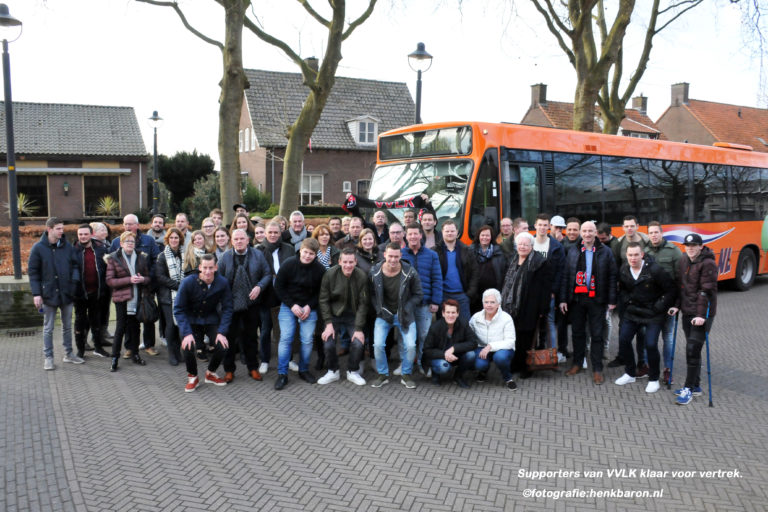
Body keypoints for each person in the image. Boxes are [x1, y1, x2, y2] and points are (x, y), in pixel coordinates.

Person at [559, 221, 617, 385]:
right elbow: (566, 276)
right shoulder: (573, 250)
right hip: (577, 299)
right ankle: (577, 363)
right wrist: (563, 299)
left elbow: (613, 276)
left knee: (597, 335)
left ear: (596, 232)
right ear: (581, 233)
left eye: (590, 231)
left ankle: (597, 369)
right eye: (584, 231)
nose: (587, 234)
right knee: (577, 333)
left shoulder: (605, 252)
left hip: (597, 299)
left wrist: (612, 300)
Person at [614, 242, 677, 393]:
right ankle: (630, 373)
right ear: (626, 256)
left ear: (642, 254)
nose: (633, 258)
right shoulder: (623, 269)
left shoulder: (655, 270)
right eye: (630, 255)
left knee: (650, 345)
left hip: (653, 314)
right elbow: (622, 290)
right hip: (633, 312)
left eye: (636, 255)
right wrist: (627, 301)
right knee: (623, 340)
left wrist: (658, 307)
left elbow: (671, 290)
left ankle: (654, 379)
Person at [668, 233, 718, 405]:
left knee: (692, 350)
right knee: (692, 350)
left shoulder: (708, 264)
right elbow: (680, 286)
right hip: (687, 311)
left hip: (702, 315)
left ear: (700, 246)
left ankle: (688, 389)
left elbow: (706, 291)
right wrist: (676, 305)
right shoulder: (683, 260)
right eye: (687, 246)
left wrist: (700, 316)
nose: (690, 248)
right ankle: (696, 386)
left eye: (693, 245)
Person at [217, 229, 271, 383]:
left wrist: (259, 286)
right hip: (230, 304)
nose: (239, 241)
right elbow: (218, 279)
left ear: (248, 240)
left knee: (251, 337)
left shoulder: (257, 255)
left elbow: (267, 274)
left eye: (242, 238)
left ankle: (253, 368)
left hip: (251, 304)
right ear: (231, 241)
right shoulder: (224, 257)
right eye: (236, 239)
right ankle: (229, 370)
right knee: (229, 338)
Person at [174, 254, 233, 392]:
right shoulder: (188, 282)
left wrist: (222, 332)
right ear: (200, 267)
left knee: (222, 345)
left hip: (210, 319)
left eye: (211, 268)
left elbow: (228, 308)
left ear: (216, 267)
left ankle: (210, 373)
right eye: (205, 268)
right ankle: (193, 376)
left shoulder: (222, 282)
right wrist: (187, 333)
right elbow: (178, 309)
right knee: (188, 346)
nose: (207, 271)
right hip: (190, 319)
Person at [29, 217, 83, 370]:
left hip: (67, 294)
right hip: (48, 295)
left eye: (62, 228)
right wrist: (36, 294)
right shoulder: (38, 248)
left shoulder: (68, 247)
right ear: (49, 229)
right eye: (58, 228)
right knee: (48, 328)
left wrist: (74, 284)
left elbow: (75, 267)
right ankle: (49, 357)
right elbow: (33, 274)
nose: (62, 231)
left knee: (67, 326)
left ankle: (69, 354)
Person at [273, 238, 326, 389]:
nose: (307, 256)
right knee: (286, 338)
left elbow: (321, 292)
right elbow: (279, 287)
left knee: (307, 339)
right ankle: (282, 374)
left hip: (309, 307)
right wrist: (292, 305)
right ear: (300, 250)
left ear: (315, 255)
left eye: (311, 254)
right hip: (289, 305)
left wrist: (309, 306)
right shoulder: (289, 264)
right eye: (305, 252)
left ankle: (303, 369)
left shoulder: (319, 269)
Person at [369, 243, 424, 389]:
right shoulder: (374, 272)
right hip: (383, 315)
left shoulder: (410, 272)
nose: (393, 259)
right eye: (390, 256)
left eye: (396, 256)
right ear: (385, 255)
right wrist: (380, 309)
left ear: (401, 256)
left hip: (405, 315)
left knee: (411, 345)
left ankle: (406, 374)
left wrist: (407, 308)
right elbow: (372, 295)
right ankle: (383, 374)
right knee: (378, 345)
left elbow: (419, 295)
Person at [501, 232, 552, 378]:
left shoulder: (540, 262)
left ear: (532, 246)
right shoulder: (512, 259)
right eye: (520, 244)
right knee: (513, 336)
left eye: (526, 244)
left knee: (527, 337)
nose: (522, 247)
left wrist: (543, 308)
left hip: (530, 306)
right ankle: (514, 364)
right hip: (511, 307)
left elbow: (545, 288)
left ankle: (526, 367)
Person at [109, 214, 160, 357]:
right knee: (129, 319)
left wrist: (147, 277)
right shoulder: (116, 242)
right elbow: (112, 264)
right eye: (125, 224)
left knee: (147, 314)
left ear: (137, 225)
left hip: (145, 285)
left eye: (131, 224)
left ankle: (149, 345)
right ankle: (130, 347)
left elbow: (156, 260)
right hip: (126, 288)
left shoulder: (148, 241)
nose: (128, 226)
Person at [317, 248, 370, 385]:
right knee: (328, 343)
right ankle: (332, 371)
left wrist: (358, 328)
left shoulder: (361, 276)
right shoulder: (330, 274)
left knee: (358, 343)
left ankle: (353, 371)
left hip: (353, 316)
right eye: (345, 262)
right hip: (334, 315)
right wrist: (328, 324)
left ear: (355, 262)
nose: (348, 265)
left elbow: (363, 304)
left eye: (351, 262)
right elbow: (323, 300)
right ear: (339, 261)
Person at [400, 223, 443, 375]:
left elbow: (437, 278)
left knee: (424, 335)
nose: (412, 237)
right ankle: (404, 363)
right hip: (405, 304)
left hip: (425, 303)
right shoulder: (400, 254)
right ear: (406, 236)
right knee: (404, 335)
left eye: (415, 234)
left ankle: (423, 364)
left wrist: (436, 301)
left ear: (420, 235)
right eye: (409, 234)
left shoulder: (432, 255)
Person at [105, 231, 151, 371]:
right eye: (127, 241)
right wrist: (129, 280)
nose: (130, 244)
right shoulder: (113, 258)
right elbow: (110, 280)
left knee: (135, 327)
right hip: (122, 298)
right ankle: (114, 357)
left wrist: (143, 279)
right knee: (120, 328)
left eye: (132, 241)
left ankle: (135, 354)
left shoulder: (141, 257)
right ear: (121, 243)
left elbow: (148, 277)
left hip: (138, 297)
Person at [255, 221, 296, 375]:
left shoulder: (289, 249)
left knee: (286, 331)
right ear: (265, 234)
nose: (273, 235)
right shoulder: (258, 250)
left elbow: (293, 270)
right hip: (266, 296)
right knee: (266, 330)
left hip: (285, 296)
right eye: (270, 232)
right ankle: (265, 360)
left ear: (281, 233)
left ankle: (289, 359)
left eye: (276, 232)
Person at [645, 221, 683, 383]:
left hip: (668, 303)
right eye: (651, 232)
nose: (653, 235)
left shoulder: (674, 252)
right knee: (649, 336)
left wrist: (677, 304)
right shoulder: (644, 251)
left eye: (656, 232)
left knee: (667, 336)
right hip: (650, 304)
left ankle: (667, 369)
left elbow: (681, 280)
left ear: (661, 233)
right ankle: (648, 366)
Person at [73, 224, 110, 359]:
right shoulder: (73, 250)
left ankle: (98, 348)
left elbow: (108, 268)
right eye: (80, 234)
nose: (83, 237)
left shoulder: (101, 249)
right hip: (80, 294)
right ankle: (80, 350)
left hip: (97, 292)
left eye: (85, 234)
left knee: (97, 321)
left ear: (91, 234)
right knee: (80, 321)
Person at [469, 289, 517, 390]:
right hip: (481, 347)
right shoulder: (475, 318)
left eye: (492, 302)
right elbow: (469, 336)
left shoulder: (506, 318)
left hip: (502, 349)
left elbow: (510, 341)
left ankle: (508, 378)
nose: (489, 305)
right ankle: (483, 371)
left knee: (500, 358)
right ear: (483, 303)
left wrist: (491, 346)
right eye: (486, 302)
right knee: (479, 364)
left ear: (498, 304)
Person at [531, 214, 565, 358]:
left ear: (549, 226)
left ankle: (552, 356)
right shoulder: (529, 242)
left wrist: (553, 291)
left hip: (548, 291)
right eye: (540, 224)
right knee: (532, 324)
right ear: (535, 226)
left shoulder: (556, 246)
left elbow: (560, 271)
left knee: (550, 323)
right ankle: (530, 357)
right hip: (532, 291)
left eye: (545, 225)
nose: (543, 227)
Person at [423, 299, 478, 388]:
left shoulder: (464, 324)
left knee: (471, 355)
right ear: (443, 313)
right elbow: (427, 350)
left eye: (453, 312)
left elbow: (473, 342)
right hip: (439, 357)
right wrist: (445, 354)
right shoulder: (435, 327)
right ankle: (435, 374)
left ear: (458, 313)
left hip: (456, 355)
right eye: (448, 312)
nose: (450, 315)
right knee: (443, 367)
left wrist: (454, 348)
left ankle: (458, 377)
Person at [434, 220, 477, 321]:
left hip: (462, 296)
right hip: (443, 296)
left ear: (457, 232)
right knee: (444, 327)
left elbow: (475, 273)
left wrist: (469, 293)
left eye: (452, 231)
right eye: (447, 231)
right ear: (442, 232)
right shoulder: (434, 251)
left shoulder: (467, 250)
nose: (450, 233)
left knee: (465, 326)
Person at [155, 228, 184, 366]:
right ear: (167, 239)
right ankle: (172, 354)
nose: (174, 240)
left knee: (179, 327)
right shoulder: (162, 256)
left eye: (176, 238)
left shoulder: (184, 254)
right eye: (171, 238)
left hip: (182, 297)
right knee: (171, 326)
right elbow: (160, 277)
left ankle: (179, 352)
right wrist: (179, 286)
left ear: (180, 239)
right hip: (167, 297)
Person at [470, 224, 507, 314]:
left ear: (491, 237)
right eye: (482, 235)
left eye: (487, 235)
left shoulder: (499, 252)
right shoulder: (470, 251)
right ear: (478, 236)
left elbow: (503, 272)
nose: (485, 237)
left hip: (493, 293)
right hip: (475, 294)